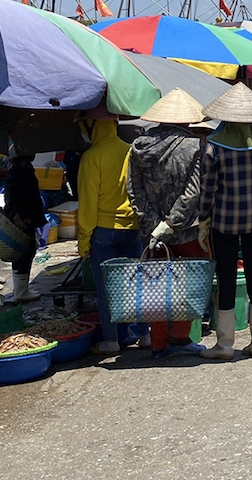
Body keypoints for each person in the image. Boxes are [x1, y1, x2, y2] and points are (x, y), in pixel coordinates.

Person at [197, 83, 252, 361]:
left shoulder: (214, 147)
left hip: (224, 224)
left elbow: (208, 190)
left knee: (227, 280)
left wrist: (203, 221)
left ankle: (224, 344)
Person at [127, 88, 213, 359]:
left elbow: (134, 190)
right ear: (187, 120)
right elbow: (193, 191)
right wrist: (171, 223)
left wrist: (152, 223)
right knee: (189, 284)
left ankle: (158, 344)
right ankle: (180, 338)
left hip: (150, 233)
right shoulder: (194, 146)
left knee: (155, 287)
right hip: (185, 231)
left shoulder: (138, 146)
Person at [76, 108, 149, 356]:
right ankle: (145, 334)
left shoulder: (91, 157)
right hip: (133, 228)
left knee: (107, 289)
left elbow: (87, 206)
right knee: (136, 283)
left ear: (91, 127)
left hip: (103, 231)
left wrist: (83, 243)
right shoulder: (131, 151)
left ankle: (111, 341)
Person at [2, 147, 45, 303]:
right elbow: (12, 197)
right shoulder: (19, 172)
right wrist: (18, 217)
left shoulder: (21, 169)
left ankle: (22, 289)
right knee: (24, 252)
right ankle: (20, 291)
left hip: (26, 217)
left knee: (27, 251)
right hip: (22, 219)